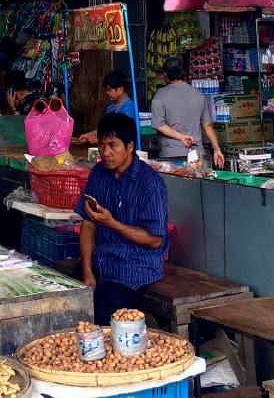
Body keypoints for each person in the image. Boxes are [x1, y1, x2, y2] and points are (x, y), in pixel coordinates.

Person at [76, 111, 168, 325]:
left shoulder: (150, 184)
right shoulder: (99, 172)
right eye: (101, 145)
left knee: (101, 312)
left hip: (135, 267)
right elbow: (88, 223)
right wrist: (87, 270)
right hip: (101, 261)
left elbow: (155, 239)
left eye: (112, 145)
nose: (105, 152)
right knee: (66, 296)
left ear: (129, 146)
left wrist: (111, 223)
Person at [150, 58, 224, 168]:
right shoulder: (198, 94)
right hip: (197, 154)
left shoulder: (160, 95)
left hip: (172, 155)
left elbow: (159, 125)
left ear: (165, 74)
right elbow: (207, 126)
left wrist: (181, 137)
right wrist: (217, 150)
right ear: (184, 73)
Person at [76, 71, 136, 145]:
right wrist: (88, 135)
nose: (107, 93)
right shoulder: (111, 105)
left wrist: (99, 139)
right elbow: (105, 127)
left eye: (109, 90)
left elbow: (122, 134)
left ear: (120, 89)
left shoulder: (128, 107)